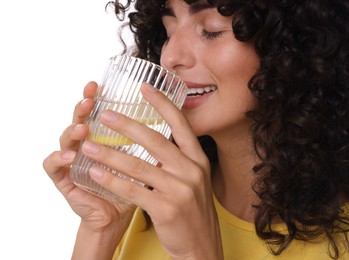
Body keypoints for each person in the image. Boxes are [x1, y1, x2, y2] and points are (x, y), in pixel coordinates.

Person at [43, 0, 349, 259]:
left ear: (293, 46)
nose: (171, 57)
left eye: (211, 31)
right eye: (168, 30)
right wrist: (101, 228)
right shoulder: (151, 196)